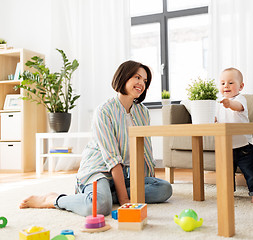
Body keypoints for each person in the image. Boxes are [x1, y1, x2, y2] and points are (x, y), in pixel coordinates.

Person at [20, 60, 173, 216]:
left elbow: (145, 150)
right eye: (137, 77)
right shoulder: (104, 111)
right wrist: (124, 199)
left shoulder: (143, 112)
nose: (142, 83)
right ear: (123, 77)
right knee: (100, 207)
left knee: (164, 189)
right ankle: (53, 199)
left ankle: (101, 196)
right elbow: (111, 158)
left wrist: (149, 181)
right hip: (99, 170)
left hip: (124, 176)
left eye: (145, 81)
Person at [215, 67, 253, 203]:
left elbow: (237, 106)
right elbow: (216, 119)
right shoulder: (219, 103)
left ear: (241, 86)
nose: (226, 86)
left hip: (244, 147)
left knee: (250, 172)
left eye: (231, 83)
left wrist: (229, 103)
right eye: (223, 83)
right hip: (226, 146)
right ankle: (228, 192)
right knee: (227, 172)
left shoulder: (240, 99)